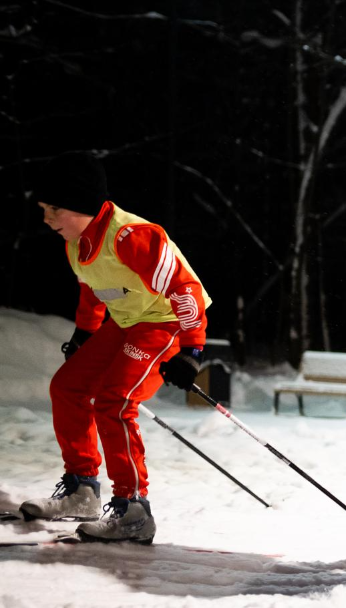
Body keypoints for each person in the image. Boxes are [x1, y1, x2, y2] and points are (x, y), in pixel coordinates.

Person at [20, 151, 212, 543]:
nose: (47, 218)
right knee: (68, 387)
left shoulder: (132, 237)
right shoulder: (77, 243)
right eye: (43, 208)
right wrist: (84, 335)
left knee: (115, 402)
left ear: (82, 202)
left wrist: (192, 352)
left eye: (54, 208)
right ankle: (82, 490)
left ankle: (134, 511)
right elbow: (93, 290)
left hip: (164, 321)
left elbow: (185, 289)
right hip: (126, 322)